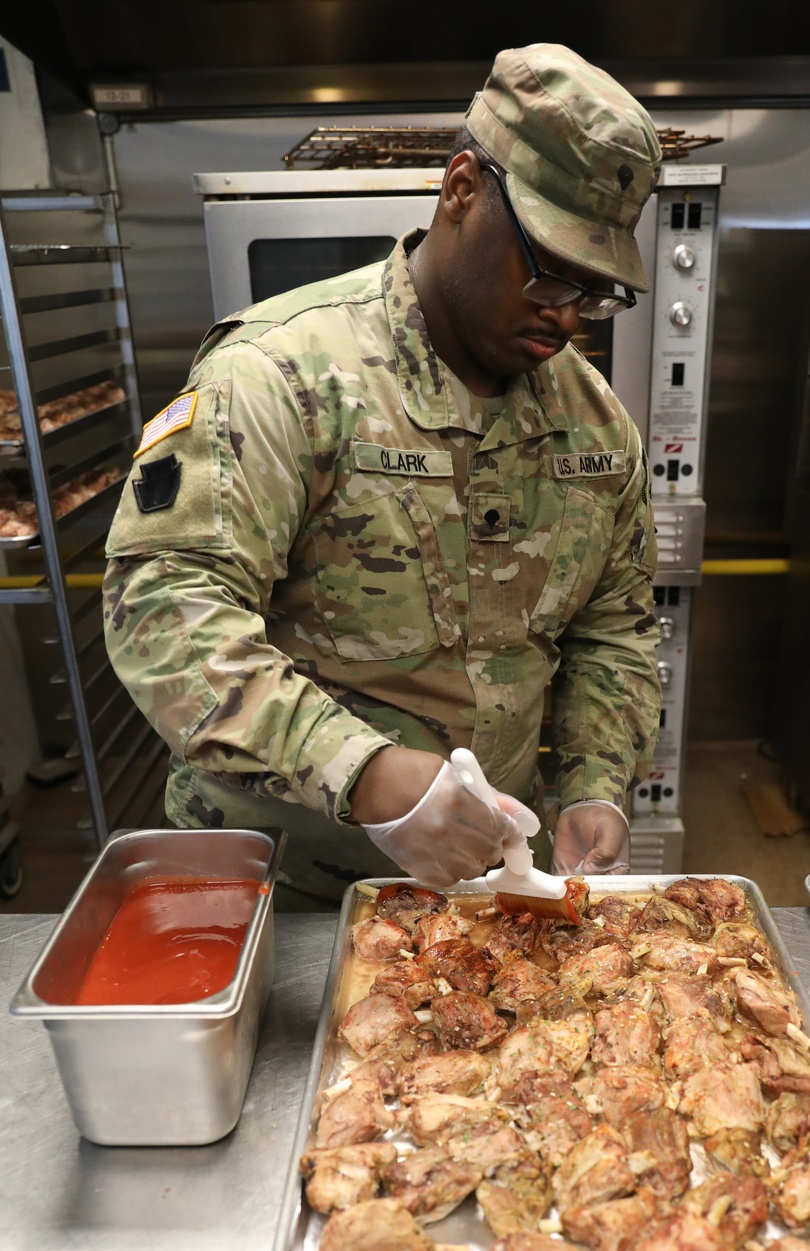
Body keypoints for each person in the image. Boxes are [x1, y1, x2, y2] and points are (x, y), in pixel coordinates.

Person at [103, 43, 663, 905]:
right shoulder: (278, 377)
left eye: (594, 291)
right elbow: (164, 611)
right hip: (276, 892)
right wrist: (360, 770)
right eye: (549, 271)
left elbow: (613, 630)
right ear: (462, 190)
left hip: (483, 893)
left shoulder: (593, 425)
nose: (564, 314)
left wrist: (594, 784)